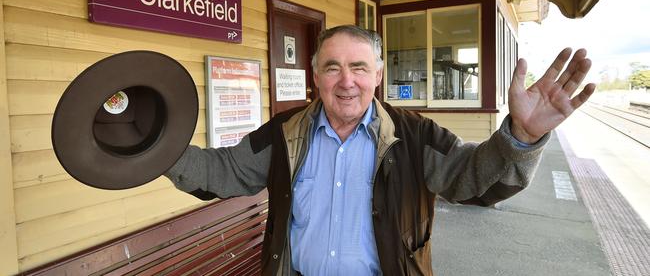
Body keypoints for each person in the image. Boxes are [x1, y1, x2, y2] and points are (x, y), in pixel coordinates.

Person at [165, 25, 595, 276]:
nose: (346, 81)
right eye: (332, 67)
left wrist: (520, 138)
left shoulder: (415, 136)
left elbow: (474, 180)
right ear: (315, 75)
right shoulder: (284, 133)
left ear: (379, 74)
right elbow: (220, 170)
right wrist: (153, 150)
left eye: (359, 67)